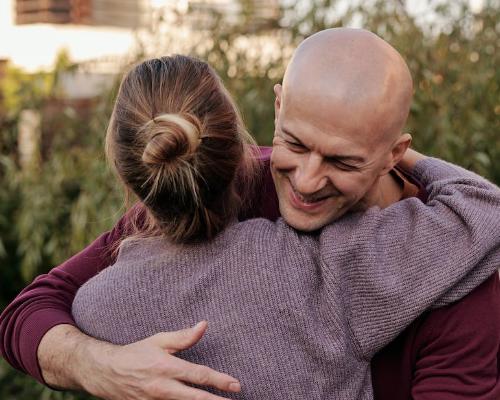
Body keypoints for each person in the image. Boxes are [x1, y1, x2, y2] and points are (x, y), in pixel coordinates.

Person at [1, 28, 499, 400]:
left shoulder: (461, 278)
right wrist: (102, 365)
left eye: (343, 160)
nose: (305, 182)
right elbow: (29, 311)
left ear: (395, 153)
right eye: (295, 144)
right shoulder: (216, 186)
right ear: (278, 108)